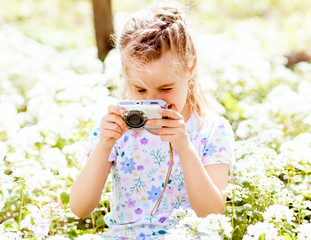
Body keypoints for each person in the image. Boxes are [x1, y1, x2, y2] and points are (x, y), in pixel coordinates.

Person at [70, 2, 235, 239]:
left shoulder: (211, 130)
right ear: (126, 76)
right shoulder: (117, 128)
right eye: (140, 90)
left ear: (191, 67)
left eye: (166, 88)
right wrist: (104, 145)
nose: (153, 101)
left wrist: (185, 149)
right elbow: (80, 207)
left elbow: (211, 213)